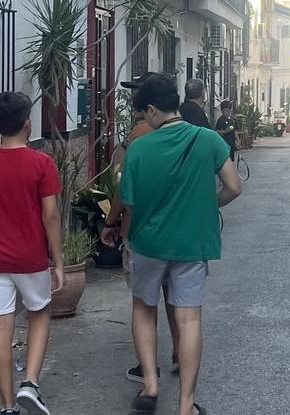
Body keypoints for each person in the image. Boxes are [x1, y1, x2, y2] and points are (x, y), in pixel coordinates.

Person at [114, 74, 242, 415]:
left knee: (144, 308)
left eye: (144, 115)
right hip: (192, 242)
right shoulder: (209, 140)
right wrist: (207, 205)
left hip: (148, 243)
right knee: (189, 321)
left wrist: (114, 225)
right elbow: (233, 186)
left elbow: (126, 199)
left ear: (153, 110)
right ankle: (186, 406)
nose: (144, 120)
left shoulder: (140, 148)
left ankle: (151, 387)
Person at [0, 92, 64, 415]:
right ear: (28, 124)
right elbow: (50, 216)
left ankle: (8, 406)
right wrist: (59, 261)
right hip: (30, 257)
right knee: (39, 313)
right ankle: (30, 384)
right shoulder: (42, 164)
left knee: (0, 327)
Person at [105, 72, 182, 384]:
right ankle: (181, 349)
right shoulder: (187, 132)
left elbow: (125, 187)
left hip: (142, 229)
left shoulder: (139, 135)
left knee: (143, 303)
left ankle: (148, 370)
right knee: (176, 297)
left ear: (148, 105)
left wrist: (111, 221)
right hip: (177, 228)